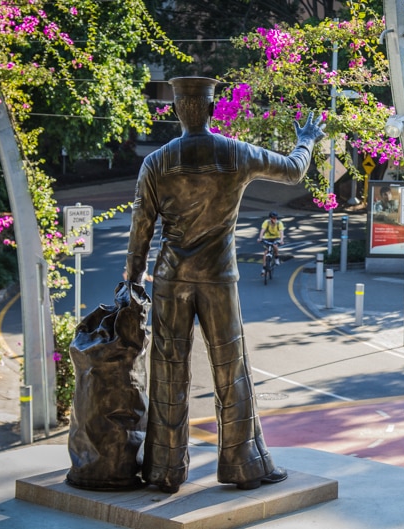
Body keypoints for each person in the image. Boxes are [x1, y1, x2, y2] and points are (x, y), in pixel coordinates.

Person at [125, 76, 325, 493]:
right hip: (218, 278)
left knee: (167, 371)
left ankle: (164, 468)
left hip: (170, 278)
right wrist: (306, 139)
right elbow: (293, 170)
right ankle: (243, 464)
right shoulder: (234, 153)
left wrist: (131, 278)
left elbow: (141, 227)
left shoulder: (157, 162)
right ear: (213, 110)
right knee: (230, 370)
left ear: (178, 110)